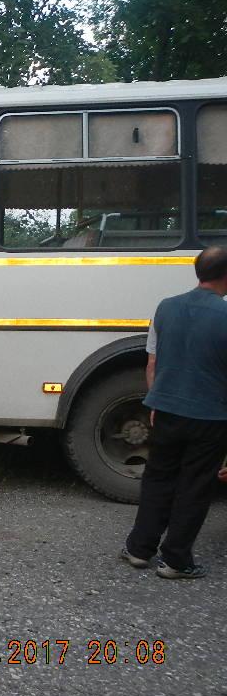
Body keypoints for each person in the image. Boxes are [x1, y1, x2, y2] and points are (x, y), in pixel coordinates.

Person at [121, 245, 227, 580]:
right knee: (195, 486)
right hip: (210, 416)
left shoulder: (165, 308)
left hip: (165, 410)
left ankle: (139, 549)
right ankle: (176, 560)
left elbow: (152, 363)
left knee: (158, 479)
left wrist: (156, 401)